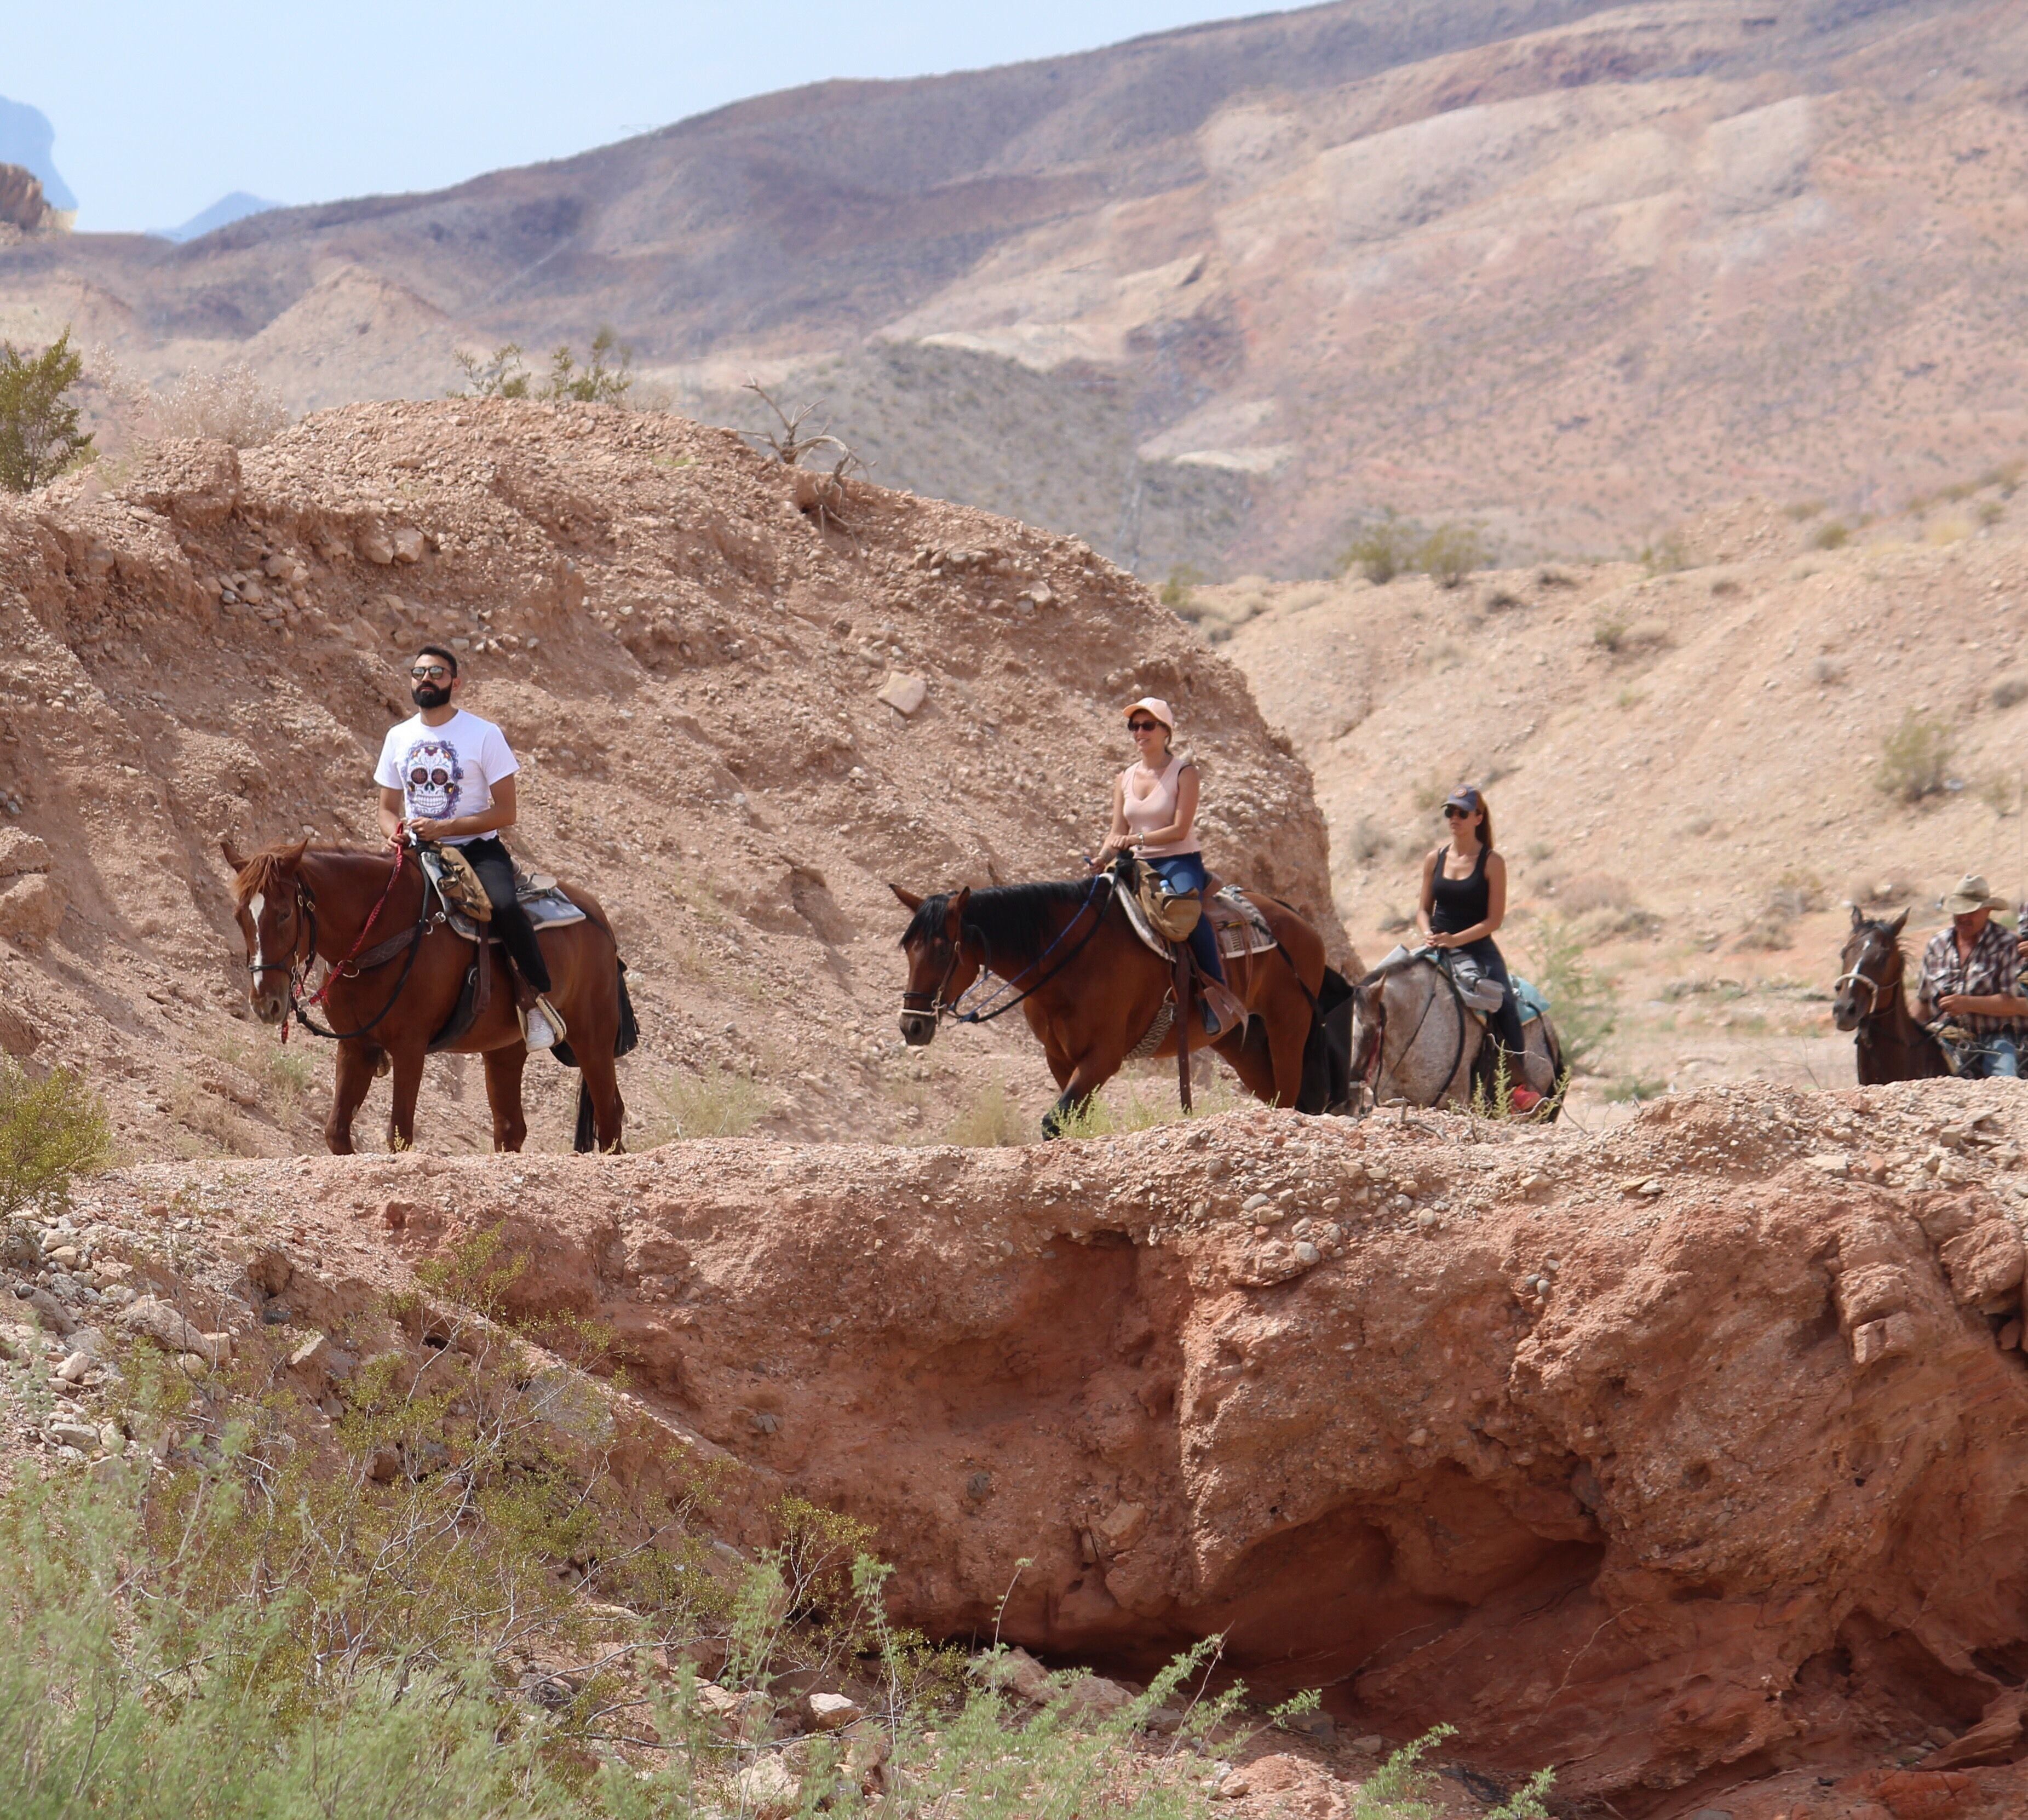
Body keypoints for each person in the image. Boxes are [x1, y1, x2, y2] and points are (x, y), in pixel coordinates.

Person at [375, 644, 566, 1051]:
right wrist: (394, 830)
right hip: (415, 850)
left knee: (506, 906)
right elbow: (386, 808)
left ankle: (535, 1001)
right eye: (418, 672)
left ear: (455, 683)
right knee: (369, 908)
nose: (426, 679)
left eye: (437, 673)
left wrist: (445, 827)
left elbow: (507, 812)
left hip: (476, 851)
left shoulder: (483, 734)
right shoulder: (398, 736)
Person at [1094, 696, 1232, 1032]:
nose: (1140, 732)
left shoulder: (1185, 773)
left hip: (1177, 860)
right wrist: (1100, 858)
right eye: (1134, 726)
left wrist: (1138, 841)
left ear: (1166, 731)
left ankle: (1214, 997)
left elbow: (1180, 829)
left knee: (1186, 913)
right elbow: (1117, 831)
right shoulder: (1124, 778)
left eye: (1148, 725)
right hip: (1134, 863)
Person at [1418, 785, 1541, 1113]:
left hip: (1477, 948)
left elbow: (1493, 920)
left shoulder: (1492, 862)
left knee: (1503, 1002)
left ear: (1478, 818)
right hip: (1437, 943)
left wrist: (1455, 940)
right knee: (1389, 986)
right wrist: (1427, 933)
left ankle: (1518, 1086)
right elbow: (1421, 910)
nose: (1454, 819)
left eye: (1462, 813)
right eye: (1450, 812)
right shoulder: (1435, 858)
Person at [1919, 874, 2021, 1078]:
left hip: (1994, 1038)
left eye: (1971, 911)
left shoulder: (2006, 944)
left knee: (2006, 1083)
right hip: (1943, 1037)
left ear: (1987, 911)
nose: (1963, 917)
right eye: (1959, 911)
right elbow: (1922, 1003)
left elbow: (2012, 1003)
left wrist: (1967, 1003)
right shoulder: (1937, 945)